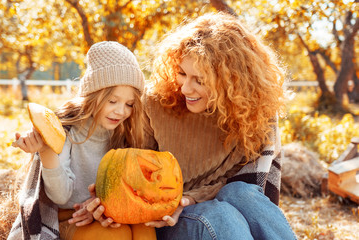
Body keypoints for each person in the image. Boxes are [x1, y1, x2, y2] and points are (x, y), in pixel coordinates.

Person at [87, 12, 297, 240]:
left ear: (232, 83)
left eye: (200, 80)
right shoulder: (155, 104)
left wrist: (193, 197)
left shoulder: (254, 114)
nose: (185, 88)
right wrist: (109, 197)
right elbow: (132, 170)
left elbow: (245, 186)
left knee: (241, 193)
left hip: (219, 202)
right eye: (182, 73)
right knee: (221, 214)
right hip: (169, 216)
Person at [8, 41, 145, 239]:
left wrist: (101, 203)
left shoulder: (122, 134)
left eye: (129, 104)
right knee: (117, 235)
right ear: (93, 95)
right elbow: (61, 196)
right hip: (67, 218)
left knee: (143, 226)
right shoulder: (66, 131)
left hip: (104, 212)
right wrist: (46, 150)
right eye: (112, 101)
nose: (121, 111)